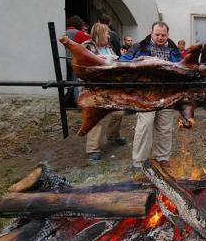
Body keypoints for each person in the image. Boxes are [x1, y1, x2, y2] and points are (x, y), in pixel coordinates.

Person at [120, 21, 182, 169]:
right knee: (145, 125)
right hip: (145, 94)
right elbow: (122, 62)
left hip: (167, 94)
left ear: (168, 34)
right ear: (151, 32)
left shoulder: (174, 50)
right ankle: (139, 161)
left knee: (165, 127)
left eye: (163, 35)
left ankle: (162, 158)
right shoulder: (139, 47)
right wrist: (137, 64)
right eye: (157, 34)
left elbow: (182, 67)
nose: (160, 37)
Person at [82, 23, 126, 164]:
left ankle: (113, 136)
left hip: (110, 86)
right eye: (107, 33)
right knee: (97, 116)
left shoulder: (108, 47)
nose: (109, 36)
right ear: (100, 33)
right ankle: (92, 149)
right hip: (93, 87)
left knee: (118, 112)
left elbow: (115, 61)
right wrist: (103, 60)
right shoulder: (87, 46)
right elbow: (85, 65)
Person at [64, 16, 90, 106]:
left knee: (69, 81)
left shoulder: (64, 31)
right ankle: (76, 102)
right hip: (73, 60)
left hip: (65, 60)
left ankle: (67, 101)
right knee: (76, 81)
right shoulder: (77, 33)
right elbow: (90, 40)